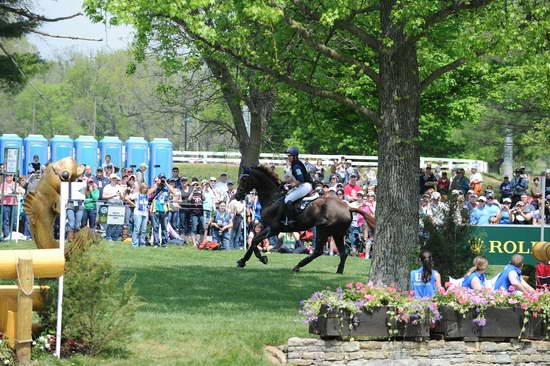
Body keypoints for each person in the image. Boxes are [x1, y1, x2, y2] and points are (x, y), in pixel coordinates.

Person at [282, 147, 313, 225]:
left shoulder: (296, 165)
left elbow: (301, 179)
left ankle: (291, 220)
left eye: (290, 156)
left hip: (305, 186)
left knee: (287, 200)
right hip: (304, 185)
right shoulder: (295, 164)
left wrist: (291, 186)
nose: (288, 157)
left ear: (295, 156)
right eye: (288, 156)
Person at [148, 174, 178, 248]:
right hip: (155, 209)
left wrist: (166, 184)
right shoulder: (156, 186)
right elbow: (148, 192)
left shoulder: (167, 187)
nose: (162, 180)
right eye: (161, 178)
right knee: (155, 227)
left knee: (164, 228)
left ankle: (164, 243)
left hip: (164, 210)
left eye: (163, 178)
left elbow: (174, 192)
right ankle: (156, 243)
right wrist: (156, 184)